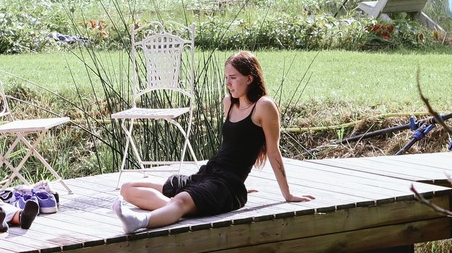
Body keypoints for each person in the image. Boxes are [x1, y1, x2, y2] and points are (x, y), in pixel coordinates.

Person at [117, 51, 312, 234]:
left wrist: (287, 194)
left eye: (233, 77)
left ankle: (141, 222)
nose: (228, 83)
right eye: (226, 78)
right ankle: (179, 210)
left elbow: (273, 151)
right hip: (208, 173)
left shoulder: (264, 106)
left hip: (227, 185)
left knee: (181, 200)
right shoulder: (229, 103)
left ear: (249, 78)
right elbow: (232, 146)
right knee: (128, 189)